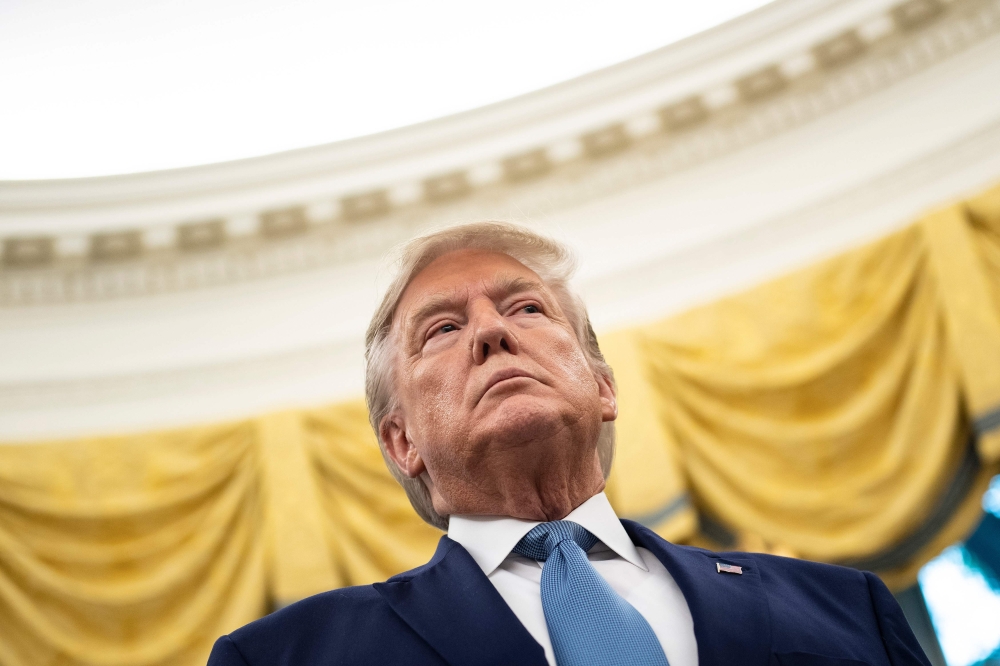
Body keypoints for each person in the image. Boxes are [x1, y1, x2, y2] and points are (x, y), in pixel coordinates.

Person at [208, 222, 930, 666]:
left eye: (526, 307)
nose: (493, 331)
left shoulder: (844, 607)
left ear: (603, 387)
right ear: (402, 444)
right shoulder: (286, 657)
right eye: (443, 329)